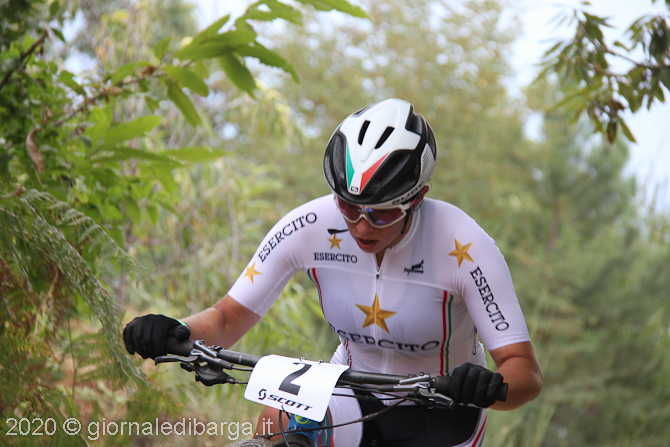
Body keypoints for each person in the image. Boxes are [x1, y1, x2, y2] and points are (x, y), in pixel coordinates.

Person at [123, 98, 542, 446]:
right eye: (348, 207)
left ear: (417, 198)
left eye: (380, 214)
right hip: (350, 388)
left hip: (442, 408)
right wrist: (175, 329)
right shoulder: (310, 225)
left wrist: (488, 386)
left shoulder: (463, 245)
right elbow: (227, 318)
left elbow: (524, 370)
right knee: (277, 421)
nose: (360, 227)